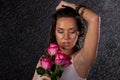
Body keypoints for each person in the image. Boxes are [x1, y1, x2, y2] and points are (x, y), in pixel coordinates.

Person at [33, 1, 100, 80]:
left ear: (78, 32)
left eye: (72, 31)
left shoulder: (81, 61)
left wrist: (71, 6)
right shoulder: (44, 60)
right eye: (60, 31)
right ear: (54, 32)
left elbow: (94, 18)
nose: (66, 37)